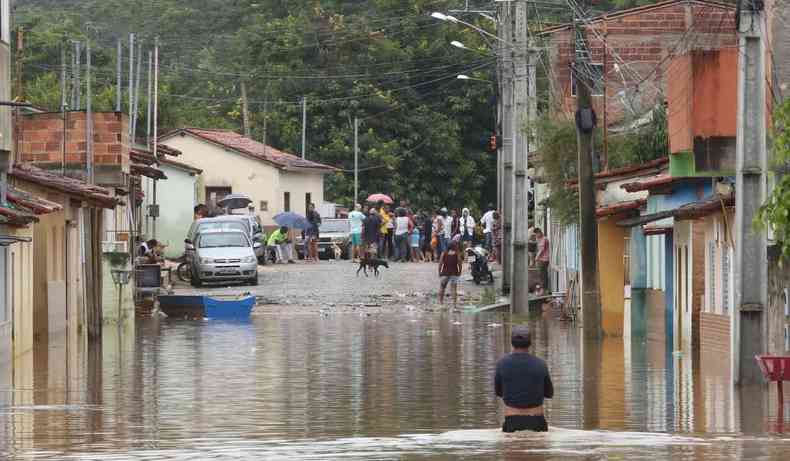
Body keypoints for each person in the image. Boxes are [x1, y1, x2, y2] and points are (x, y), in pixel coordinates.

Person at [495, 326, 554, 433]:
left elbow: (499, 392)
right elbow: (549, 393)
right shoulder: (541, 364)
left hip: (512, 421)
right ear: (530, 343)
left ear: (512, 343)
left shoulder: (501, 364)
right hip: (537, 421)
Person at [439, 240, 463, 307]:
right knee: (454, 289)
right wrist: (459, 272)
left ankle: (441, 303)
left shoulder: (444, 253)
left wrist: (439, 272)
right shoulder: (457, 254)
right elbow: (460, 264)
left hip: (445, 273)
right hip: (454, 273)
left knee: (442, 287)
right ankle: (454, 304)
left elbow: (440, 263)